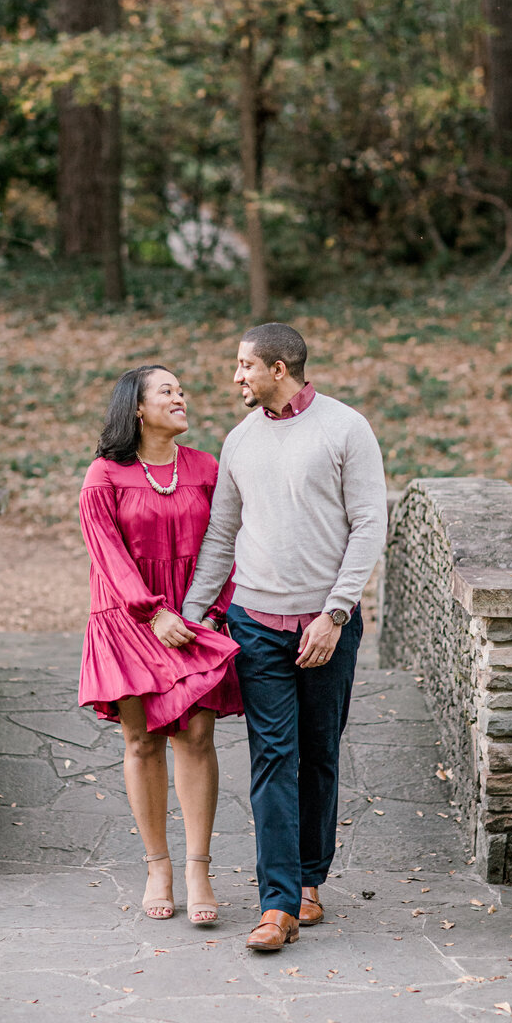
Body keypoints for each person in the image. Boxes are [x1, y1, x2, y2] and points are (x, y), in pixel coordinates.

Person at [182, 323, 387, 952]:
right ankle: (276, 905)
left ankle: (309, 880)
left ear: (278, 368)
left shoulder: (345, 428)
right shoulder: (240, 441)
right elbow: (221, 536)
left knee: (319, 753)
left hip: (328, 625)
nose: (236, 377)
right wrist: (193, 614)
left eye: (244, 365)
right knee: (273, 757)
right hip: (256, 625)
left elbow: (369, 523)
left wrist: (335, 613)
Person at [78, 365, 242, 925]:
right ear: (137, 409)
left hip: (193, 612)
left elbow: (228, 542)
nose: (181, 397)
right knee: (142, 739)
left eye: (180, 389)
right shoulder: (103, 475)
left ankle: (199, 866)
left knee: (197, 736)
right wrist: (150, 614)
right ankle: (158, 866)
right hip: (130, 615)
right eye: (167, 391)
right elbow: (106, 553)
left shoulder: (205, 468)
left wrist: (212, 611)